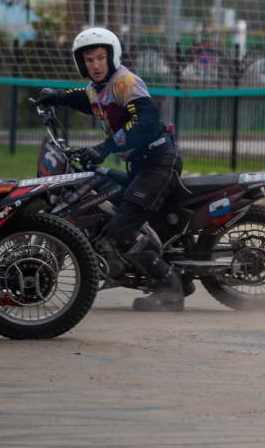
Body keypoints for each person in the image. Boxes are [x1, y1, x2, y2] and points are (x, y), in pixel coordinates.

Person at [36, 27, 186, 312]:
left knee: (121, 228)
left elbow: (146, 120)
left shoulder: (124, 81)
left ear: (112, 57)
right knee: (96, 180)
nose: (95, 64)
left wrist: (104, 148)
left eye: (100, 58)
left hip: (160, 163)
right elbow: (87, 99)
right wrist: (59, 95)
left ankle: (170, 289)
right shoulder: (99, 88)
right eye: (89, 59)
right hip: (140, 167)